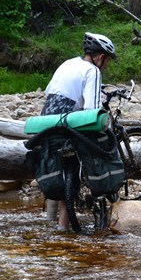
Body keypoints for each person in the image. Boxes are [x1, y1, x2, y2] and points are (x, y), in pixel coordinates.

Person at [41, 32, 116, 230]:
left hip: (46, 120)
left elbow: (49, 93)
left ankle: (50, 218)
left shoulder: (68, 63)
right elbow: (92, 108)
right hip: (67, 124)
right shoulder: (93, 71)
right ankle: (63, 227)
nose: (106, 65)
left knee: (59, 165)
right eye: (107, 61)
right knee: (78, 161)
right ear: (100, 57)